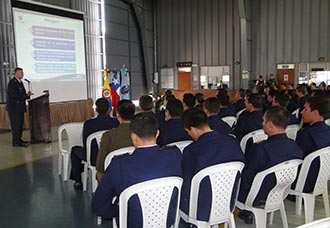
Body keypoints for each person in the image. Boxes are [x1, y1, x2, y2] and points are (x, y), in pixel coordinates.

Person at [92, 112, 182, 226]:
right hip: (167, 219)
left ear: (133, 137)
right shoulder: (174, 154)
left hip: (132, 222)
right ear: (157, 133)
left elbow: (99, 206)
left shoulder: (119, 164)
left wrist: (118, 210)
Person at [238, 106, 303, 223]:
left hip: (256, 196)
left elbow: (246, 177)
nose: (261, 123)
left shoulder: (260, 149)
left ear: (270, 124)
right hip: (280, 193)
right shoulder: (295, 147)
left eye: (263, 120)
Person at [180, 108, 244, 221]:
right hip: (228, 202)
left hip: (200, 208)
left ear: (193, 129)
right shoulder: (232, 141)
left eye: (188, 132)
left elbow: (186, 185)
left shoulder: (192, 150)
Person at [69, 98, 119, 190]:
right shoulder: (116, 122)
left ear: (96, 110)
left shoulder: (89, 124)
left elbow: (86, 143)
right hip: (113, 157)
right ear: (109, 109)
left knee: (75, 150)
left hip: (94, 159)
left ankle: (78, 181)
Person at [294, 96, 330, 192]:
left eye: (305, 109)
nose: (302, 112)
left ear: (315, 113)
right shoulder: (328, 130)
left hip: (303, 184)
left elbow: (296, 158)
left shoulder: (305, 134)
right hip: (322, 180)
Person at [96, 99, 135, 181]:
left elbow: (100, 166)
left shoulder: (108, 136)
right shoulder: (141, 133)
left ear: (117, 114)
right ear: (134, 114)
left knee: (99, 174)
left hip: (114, 176)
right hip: (135, 173)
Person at [6, 67, 32, 147]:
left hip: (19, 108)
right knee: (16, 125)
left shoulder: (20, 82)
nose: (22, 74)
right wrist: (25, 96)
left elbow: (22, 94)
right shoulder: (12, 83)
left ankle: (19, 140)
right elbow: (14, 95)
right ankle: (16, 142)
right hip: (14, 108)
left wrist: (27, 95)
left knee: (20, 125)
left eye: (23, 73)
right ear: (16, 73)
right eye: (21, 73)